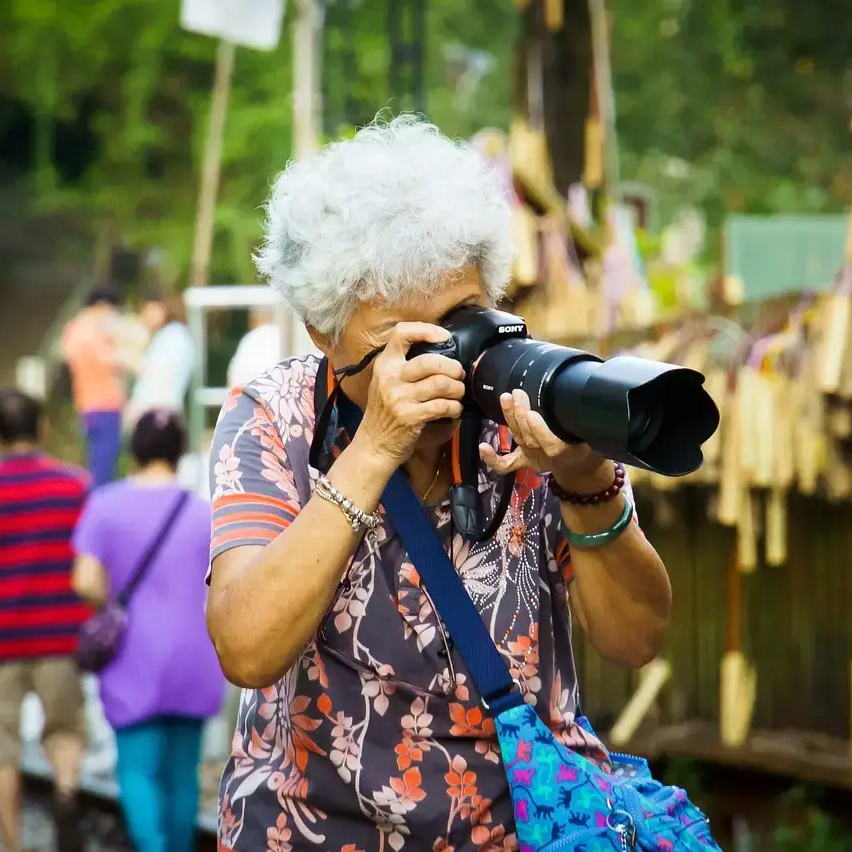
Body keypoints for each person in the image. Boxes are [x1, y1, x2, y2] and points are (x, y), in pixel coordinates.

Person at [205, 116, 673, 852]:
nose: (444, 362)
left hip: (520, 831)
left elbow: (636, 639)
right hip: (312, 832)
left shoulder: (524, 403)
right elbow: (246, 648)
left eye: (457, 321)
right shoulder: (278, 417)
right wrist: (373, 451)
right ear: (323, 330)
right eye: (402, 338)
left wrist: (586, 480)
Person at [71, 409, 225, 852]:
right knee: (182, 775)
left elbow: (84, 580)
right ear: (179, 452)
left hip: (133, 659)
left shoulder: (105, 505)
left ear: (133, 450)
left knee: (138, 772)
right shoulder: (205, 513)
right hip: (196, 661)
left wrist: (113, 600)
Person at [0, 389, 89, 852]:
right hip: (60, 635)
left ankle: (13, 845)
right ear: (41, 428)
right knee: (66, 730)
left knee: (3, 751)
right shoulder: (74, 486)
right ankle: (66, 795)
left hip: (2, 644)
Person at [61, 284, 126, 488]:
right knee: (104, 472)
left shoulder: (73, 329)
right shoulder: (94, 332)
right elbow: (110, 360)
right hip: (105, 405)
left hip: (86, 405)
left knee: (96, 464)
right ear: (102, 306)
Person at [124, 288, 194, 429]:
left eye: (147, 310)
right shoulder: (168, 336)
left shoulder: (174, 335)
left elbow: (157, 376)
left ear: (161, 309)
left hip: (158, 414)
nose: (145, 316)